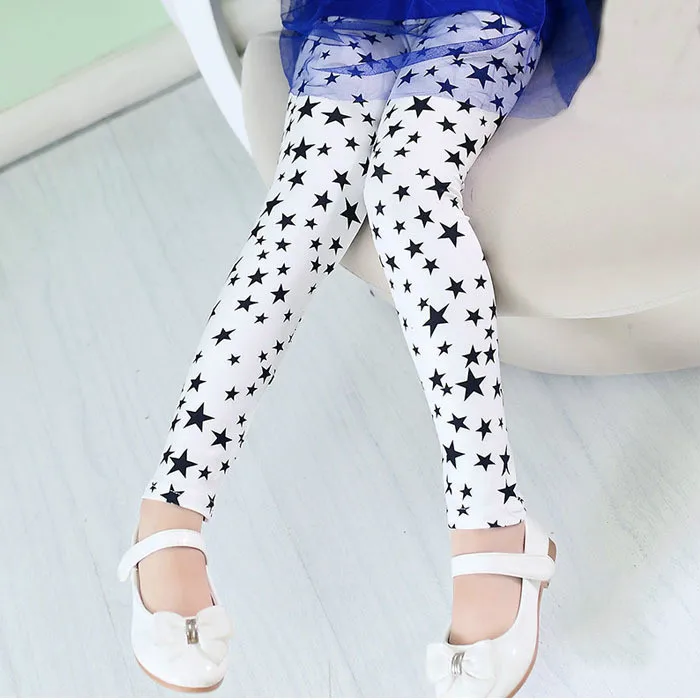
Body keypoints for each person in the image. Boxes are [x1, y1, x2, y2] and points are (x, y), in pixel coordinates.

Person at [117, 0, 602, 695]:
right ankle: (171, 505)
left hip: (485, 10)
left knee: (408, 195)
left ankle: (491, 522)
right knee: (301, 208)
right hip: (351, 11)